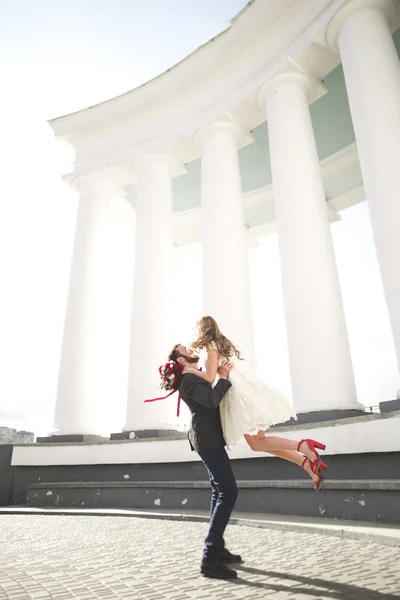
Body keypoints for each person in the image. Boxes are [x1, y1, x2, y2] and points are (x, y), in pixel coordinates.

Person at [185, 316, 327, 491]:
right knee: (260, 442)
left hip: (237, 396)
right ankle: (306, 464)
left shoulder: (211, 347)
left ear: (201, 330)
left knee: (257, 443)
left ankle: (302, 446)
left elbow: (209, 377)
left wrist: (191, 370)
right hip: (245, 389)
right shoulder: (221, 343)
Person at [167, 343, 241, 580]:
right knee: (229, 492)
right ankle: (210, 558)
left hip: (209, 437)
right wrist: (224, 378)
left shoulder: (195, 375)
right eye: (184, 348)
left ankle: (217, 548)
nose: (190, 348)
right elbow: (210, 401)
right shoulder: (188, 380)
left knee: (219, 492)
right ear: (181, 360)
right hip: (207, 438)